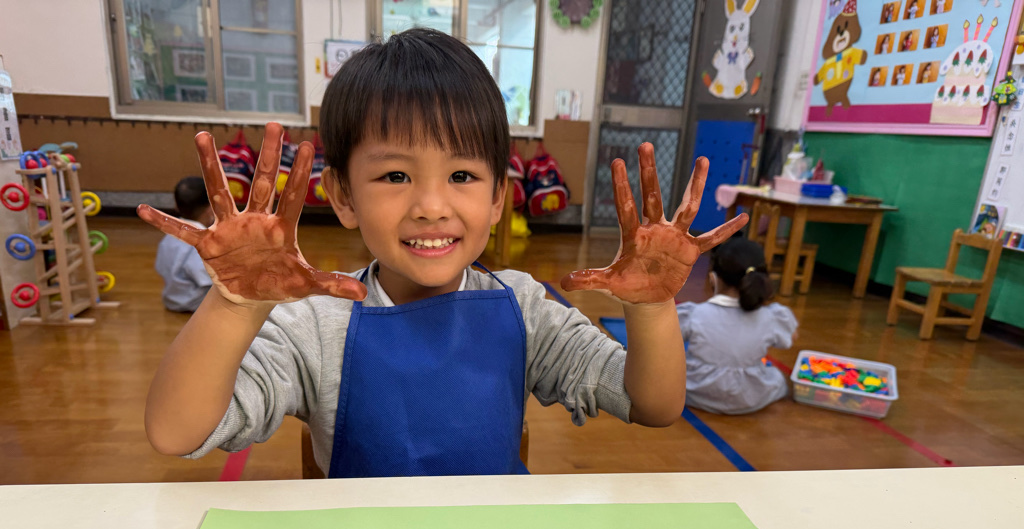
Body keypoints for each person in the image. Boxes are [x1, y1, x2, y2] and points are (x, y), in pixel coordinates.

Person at [136, 28, 747, 478]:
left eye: (461, 176)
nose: (431, 205)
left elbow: (655, 406)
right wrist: (234, 305)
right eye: (395, 176)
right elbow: (174, 432)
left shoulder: (525, 309)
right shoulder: (314, 327)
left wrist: (652, 307)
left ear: (498, 197)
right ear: (342, 196)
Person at [674, 237, 797, 415]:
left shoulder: (695, 314)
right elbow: (789, 339)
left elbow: (662, 342)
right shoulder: (772, 317)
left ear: (713, 278)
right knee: (777, 377)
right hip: (751, 397)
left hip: (696, 392)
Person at [154, 177, 214, 312]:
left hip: (172, 299)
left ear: (176, 206)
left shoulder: (168, 237)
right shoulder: (201, 242)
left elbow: (160, 267)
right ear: (210, 209)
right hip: (197, 302)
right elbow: (207, 278)